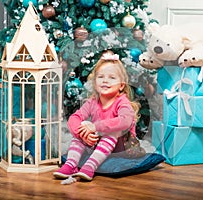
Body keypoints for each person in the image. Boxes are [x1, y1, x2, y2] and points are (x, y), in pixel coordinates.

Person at [53, 50, 145, 181]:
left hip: (122, 147)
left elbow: (125, 122)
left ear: (121, 86)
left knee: (113, 131)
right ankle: (71, 165)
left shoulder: (122, 102)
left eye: (112, 78)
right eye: (101, 77)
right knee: (82, 128)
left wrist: (95, 127)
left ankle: (90, 166)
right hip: (99, 145)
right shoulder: (93, 101)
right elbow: (75, 117)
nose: (105, 81)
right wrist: (83, 133)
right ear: (95, 82)